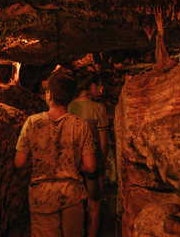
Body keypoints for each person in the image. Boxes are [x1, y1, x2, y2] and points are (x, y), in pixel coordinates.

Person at [15, 71, 97, 237]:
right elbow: (90, 167)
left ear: (50, 94)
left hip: (42, 198)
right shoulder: (80, 125)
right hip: (72, 197)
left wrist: (38, 160)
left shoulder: (32, 122)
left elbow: (19, 162)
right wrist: (74, 163)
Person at [67, 68, 110, 237]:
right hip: (94, 157)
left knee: (74, 203)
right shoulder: (98, 108)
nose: (100, 90)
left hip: (73, 159)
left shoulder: (69, 106)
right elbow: (104, 142)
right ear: (91, 87)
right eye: (98, 86)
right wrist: (104, 161)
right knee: (94, 205)